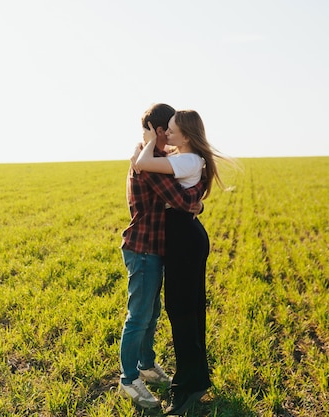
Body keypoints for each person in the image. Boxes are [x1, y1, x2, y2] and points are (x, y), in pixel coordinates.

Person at [132, 109, 226, 415]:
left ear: (186, 134)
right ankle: (197, 379)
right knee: (192, 311)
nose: (167, 135)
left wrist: (147, 140)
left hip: (184, 241)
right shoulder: (187, 157)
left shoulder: (186, 159)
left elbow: (143, 164)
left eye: (171, 131)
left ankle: (185, 388)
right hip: (186, 238)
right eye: (166, 130)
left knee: (183, 312)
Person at [118, 104, 205, 409]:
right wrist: (196, 201)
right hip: (143, 249)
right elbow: (181, 199)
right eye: (166, 129)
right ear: (158, 131)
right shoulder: (147, 163)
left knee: (151, 314)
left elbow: (184, 187)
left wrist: (197, 201)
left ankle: (146, 365)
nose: (169, 133)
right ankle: (129, 380)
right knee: (139, 317)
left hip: (154, 248)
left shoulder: (152, 157)